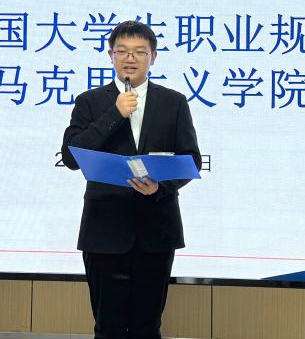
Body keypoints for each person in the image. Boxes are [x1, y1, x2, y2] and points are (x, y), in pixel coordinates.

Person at [61, 20, 201, 339]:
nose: (130, 58)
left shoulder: (174, 102)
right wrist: (115, 114)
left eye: (139, 52)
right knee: (107, 329)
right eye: (122, 51)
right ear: (111, 55)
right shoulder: (90, 101)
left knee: (146, 329)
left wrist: (160, 186)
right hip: (104, 231)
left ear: (153, 57)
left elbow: (191, 159)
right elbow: (71, 157)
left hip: (156, 229)